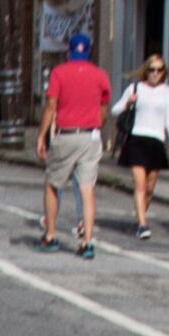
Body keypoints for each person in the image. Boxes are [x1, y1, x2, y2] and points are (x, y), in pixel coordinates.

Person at [39, 35, 111, 257]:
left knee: (53, 184)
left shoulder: (59, 73)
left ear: (69, 52)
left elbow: (51, 104)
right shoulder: (100, 75)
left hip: (66, 133)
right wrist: (97, 124)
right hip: (90, 136)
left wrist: (42, 135)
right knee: (87, 189)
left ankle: (50, 234)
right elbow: (104, 105)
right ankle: (88, 241)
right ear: (88, 52)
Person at [110, 49, 169, 249]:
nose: (155, 73)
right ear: (145, 71)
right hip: (137, 139)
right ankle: (142, 224)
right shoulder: (135, 88)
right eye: (152, 70)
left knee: (150, 187)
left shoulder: (167, 92)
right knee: (140, 185)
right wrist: (127, 103)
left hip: (156, 140)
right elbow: (116, 110)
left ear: (164, 72)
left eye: (159, 70)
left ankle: (141, 213)